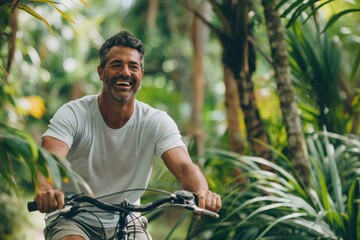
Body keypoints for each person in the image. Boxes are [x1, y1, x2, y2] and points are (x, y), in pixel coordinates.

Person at [34, 31, 222, 240]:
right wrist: (45, 190)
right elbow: (48, 161)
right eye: (116, 65)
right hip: (72, 217)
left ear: (141, 73)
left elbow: (185, 167)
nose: (125, 72)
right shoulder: (73, 114)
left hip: (128, 219)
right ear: (101, 72)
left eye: (133, 66)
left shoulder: (155, 121)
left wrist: (201, 191)